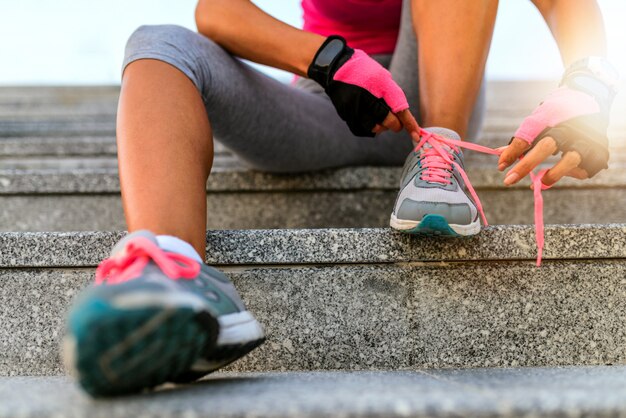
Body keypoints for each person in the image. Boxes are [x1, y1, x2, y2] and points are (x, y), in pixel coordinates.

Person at [62, 0, 618, 396]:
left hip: (431, 104)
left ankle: (437, 167)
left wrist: (588, 89)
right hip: (328, 101)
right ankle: (172, 275)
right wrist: (330, 62)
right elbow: (216, 11)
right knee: (157, 42)